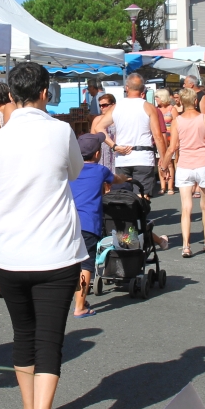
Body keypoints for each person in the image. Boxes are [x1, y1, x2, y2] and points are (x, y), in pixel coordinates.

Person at [0, 61, 87, 409]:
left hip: (9, 253)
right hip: (56, 250)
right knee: (50, 339)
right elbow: (74, 171)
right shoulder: (60, 131)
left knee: (23, 333)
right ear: (44, 93)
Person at [69, 133, 128, 318]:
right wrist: (125, 178)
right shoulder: (100, 170)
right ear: (97, 154)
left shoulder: (69, 170)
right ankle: (79, 306)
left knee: (72, 262)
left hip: (67, 222)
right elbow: (115, 180)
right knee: (86, 264)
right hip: (88, 223)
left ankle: (78, 298)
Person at [166, 87, 205, 257]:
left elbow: (173, 147)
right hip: (204, 163)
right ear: (194, 101)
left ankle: (186, 246)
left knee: (186, 208)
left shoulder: (177, 121)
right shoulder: (204, 118)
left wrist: (163, 165)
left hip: (185, 165)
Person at [92, 73, 168, 200]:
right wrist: (164, 161)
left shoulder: (117, 107)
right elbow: (158, 136)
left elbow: (98, 127)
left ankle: (129, 219)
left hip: (123, 157)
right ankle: (141, 219)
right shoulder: (149, 107)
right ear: (143, 89)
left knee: (124, 196)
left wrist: (114, 146)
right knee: (143, 195)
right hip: (143, 156)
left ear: (127, 88)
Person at [154, 89, 177, 195]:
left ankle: (170, 186)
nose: (155, 99)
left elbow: (177, 125)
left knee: (170, 163)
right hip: (159, 139)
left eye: (157, 97)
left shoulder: (172, 109)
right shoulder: (155, 110)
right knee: (160, 163)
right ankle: (163, 186)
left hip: (170, 139)